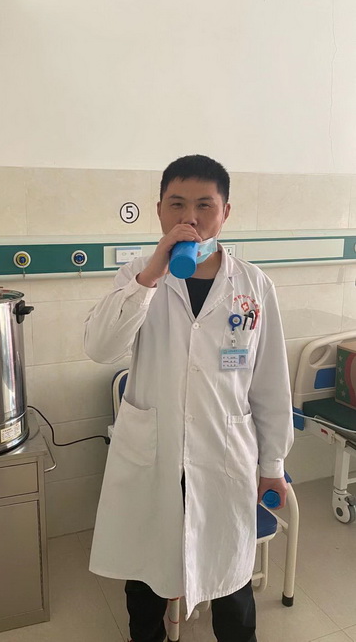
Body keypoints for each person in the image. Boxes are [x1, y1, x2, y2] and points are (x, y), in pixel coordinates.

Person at [84, 155, 294, 642]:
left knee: (231, 580)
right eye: (177, 204)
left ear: (225, 212)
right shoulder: (137, 275)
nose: (190, 217)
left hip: (224, 454)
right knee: (146, 579)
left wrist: (273, 464)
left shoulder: (254, 285)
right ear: (159, 209)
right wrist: (151, 275)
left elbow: (270, 383)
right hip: (155, 455)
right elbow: (99, 347)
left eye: (205, 205)